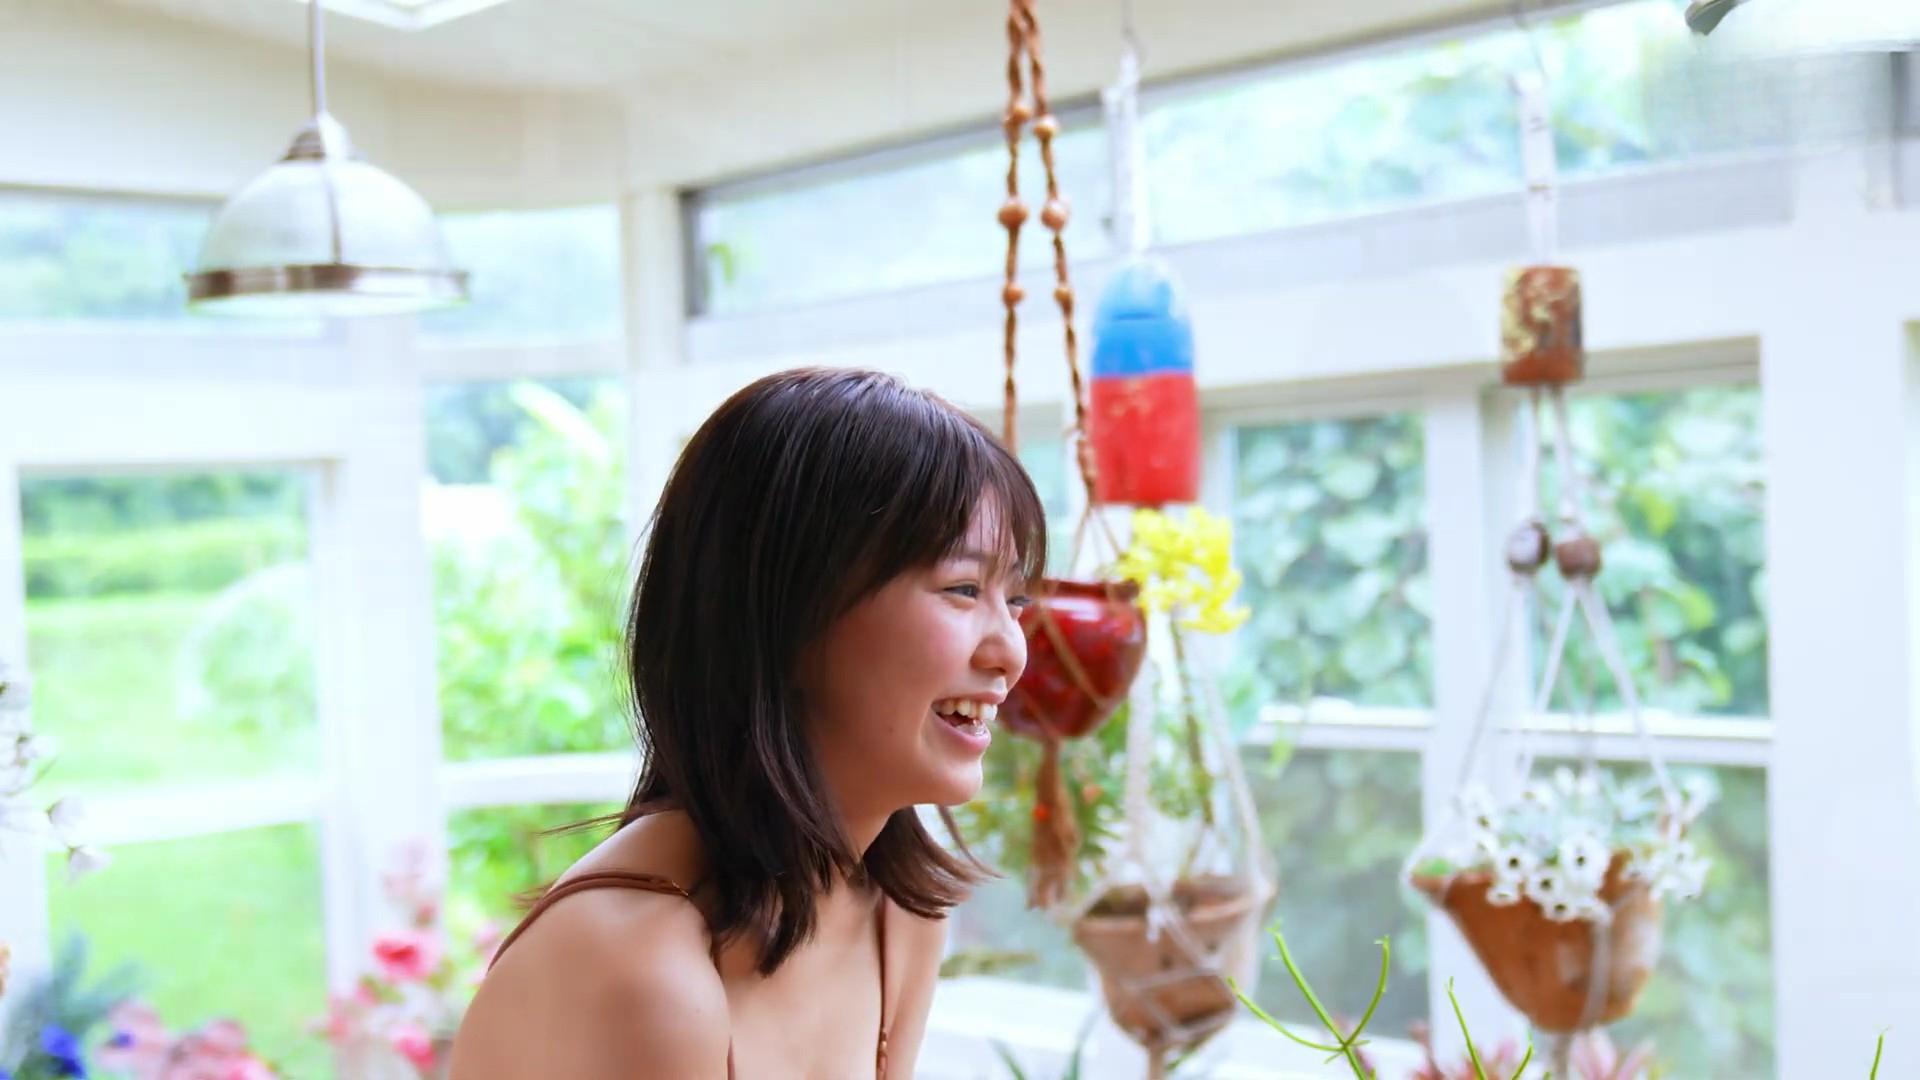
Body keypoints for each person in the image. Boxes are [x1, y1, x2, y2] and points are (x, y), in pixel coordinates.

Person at [448, 366, 1044, 1079]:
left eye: (1015, 600)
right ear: (788, 617)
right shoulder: (642, 973)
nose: (1011, 652)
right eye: (963, 589)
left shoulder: (900, 917)